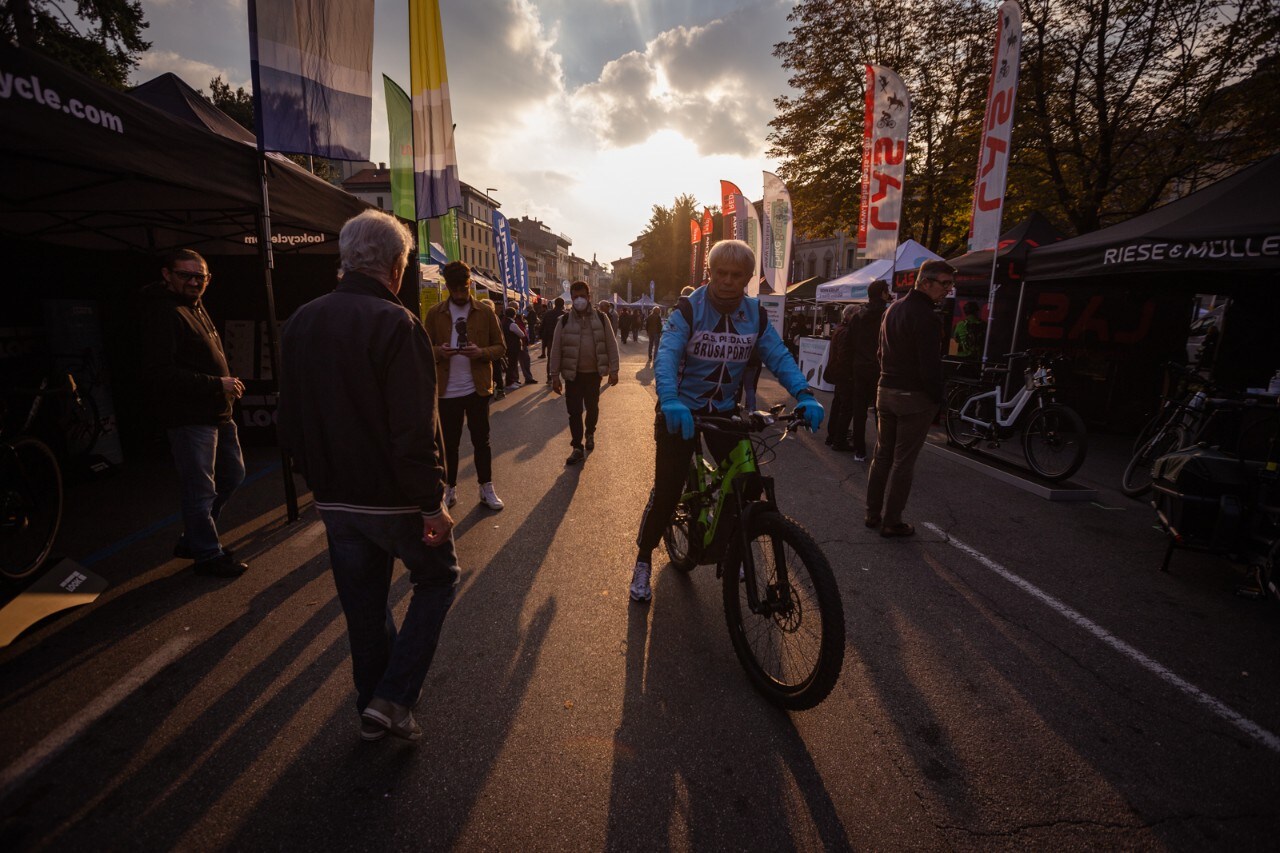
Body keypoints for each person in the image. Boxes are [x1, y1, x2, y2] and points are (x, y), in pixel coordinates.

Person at [277, 210, 458, 742]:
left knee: (363, 605)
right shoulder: (397, 324)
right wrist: (431, 503)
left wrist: (313, 474)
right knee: (438, 578)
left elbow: (289, 417)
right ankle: (394, 697)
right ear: (397, 267)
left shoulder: (302, 320)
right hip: (394, 496)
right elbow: (414, 428)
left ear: (345, 259)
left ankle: (373, 705)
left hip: (335, 495)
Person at [629, 241, 824, 602]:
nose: (728, 281)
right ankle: (643, 560)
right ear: (710, 273)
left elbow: (778, 355)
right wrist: (669, 400)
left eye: (737, 275)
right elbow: (668, 355)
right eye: (721, 273)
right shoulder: (689, 309)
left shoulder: (755, 314)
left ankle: (733, 545)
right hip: (679, 411)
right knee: (668, 493)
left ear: (748, 278)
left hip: (722, 412)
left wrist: (804, 393)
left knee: (747, 483)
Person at [141, 248, 248, 578]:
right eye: (185, 275)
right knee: (200, 490)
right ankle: (206, 554)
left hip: (217, 412)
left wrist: (222, 388)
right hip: (190, 417)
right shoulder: (163, 312)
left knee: (233, 475)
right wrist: (217, 383)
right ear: (167, 274)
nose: (193, 282)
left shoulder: (195, 306)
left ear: (208, 279)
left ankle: (194, 539)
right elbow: (159, 373)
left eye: (199, 277)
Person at [865, 260, 955, 538]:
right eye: (944, 283)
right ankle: (892, 521)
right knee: (903, 461)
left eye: (950, 284)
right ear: (925, 282)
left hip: (886, 389)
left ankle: (872, 513)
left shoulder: (893, 308)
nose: (948, 290)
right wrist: (937, 398)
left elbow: (880, 352)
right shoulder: (926, 316)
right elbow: (929, 364)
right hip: (912, 396)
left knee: (883, 455)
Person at [424, 262, 506, 511]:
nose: (460, 293)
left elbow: (501, 347)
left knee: (482, 441)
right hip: (447, 391)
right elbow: (423, 348)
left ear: (469, 284)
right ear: (448, 287)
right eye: (455, 289)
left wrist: (481, 352)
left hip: (477, 388)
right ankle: (449, 488)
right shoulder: (435, 313)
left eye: (464, 288)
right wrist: (439, 351)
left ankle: (486, 487)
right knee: (449, 444)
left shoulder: (485, 312)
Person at [548, 281, 620, 465]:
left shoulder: (601, 318)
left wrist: (614, 370)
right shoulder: (564, 321)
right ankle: (577, 447)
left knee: (592, 407)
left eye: (582, 296)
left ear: (589, 297)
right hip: (573, 375)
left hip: (594, 373)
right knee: (574, 411)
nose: (579, 300)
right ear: (571, 298)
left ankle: (590, 433)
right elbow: (555, 349)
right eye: (575, 297)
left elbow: (611, 344)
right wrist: (554, 376)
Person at [849, 280, 892, 460]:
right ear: (882, 293)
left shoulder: (858, 316)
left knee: (859, 410)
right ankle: (882, 452)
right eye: (887, 291)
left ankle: (859, 450)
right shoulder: (888, 315)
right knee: (881, 412)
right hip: (881, 369)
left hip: (860, 367)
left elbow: (850, 343)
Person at [824, 304, 859, 451]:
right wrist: (850, 375)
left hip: (838, 373)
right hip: (844, 375)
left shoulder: (840, 329)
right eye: (857, 313)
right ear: (849, 315)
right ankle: (839, 439)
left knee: (838, 405)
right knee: (845, 407)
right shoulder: (846, 331)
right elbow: (844, 356)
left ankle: (833, 435)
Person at [501, 305, 527, 391]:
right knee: (512, 365)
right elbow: (521, 334)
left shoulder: (503, 322)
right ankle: (509, 383)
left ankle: (512, 381)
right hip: (513, 347)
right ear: (514, 314)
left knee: (511, 365)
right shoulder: (512, 324)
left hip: (507, 346)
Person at [539, 297, 565, 367]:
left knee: (550, 358)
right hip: (562, 339)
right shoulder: (565, 315)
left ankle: (550, 373)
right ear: (563, 305)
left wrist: (541, 335)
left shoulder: (547, 314)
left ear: (555, 304)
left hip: (550, 338)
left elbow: (542, 325)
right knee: (562, 359)